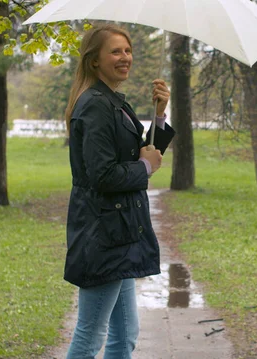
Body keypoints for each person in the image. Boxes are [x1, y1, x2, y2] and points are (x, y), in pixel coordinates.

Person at [63, 23, 175, 359]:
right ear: (94, 60)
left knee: (125, 334)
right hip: (103, 236)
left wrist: (158, 116)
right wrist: (145, 168)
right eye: (115, 51)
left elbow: (140, 152)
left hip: (119, 233)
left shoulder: (112, 102)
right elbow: (103, 175)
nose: (125, 57)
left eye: (127, 51)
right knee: (90, 336)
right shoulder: (96, 105)